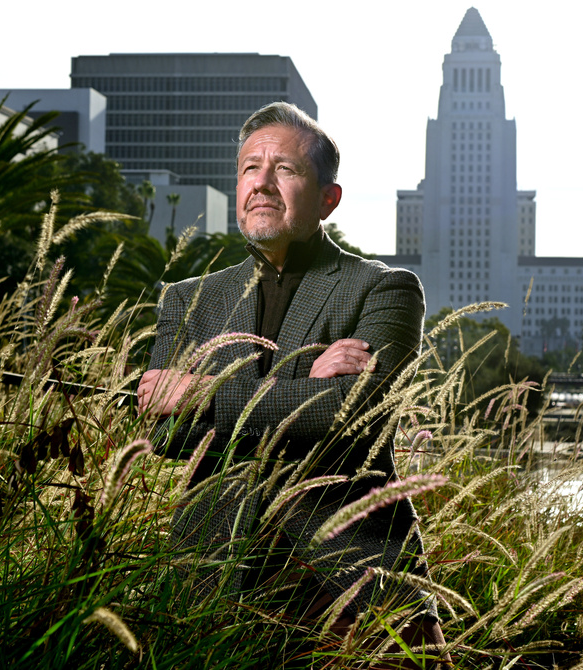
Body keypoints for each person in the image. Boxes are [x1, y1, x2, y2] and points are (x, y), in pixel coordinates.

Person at [138, 102, 447, 664]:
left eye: (285, 169)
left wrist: (202, 391)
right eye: (249, 168)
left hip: (354, 579)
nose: (261, 183)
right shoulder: (189, 299)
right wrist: (303, 382)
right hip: (213, 574)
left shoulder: (386, 290)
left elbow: (345, 414)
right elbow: (163, 435)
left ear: (328, 198)